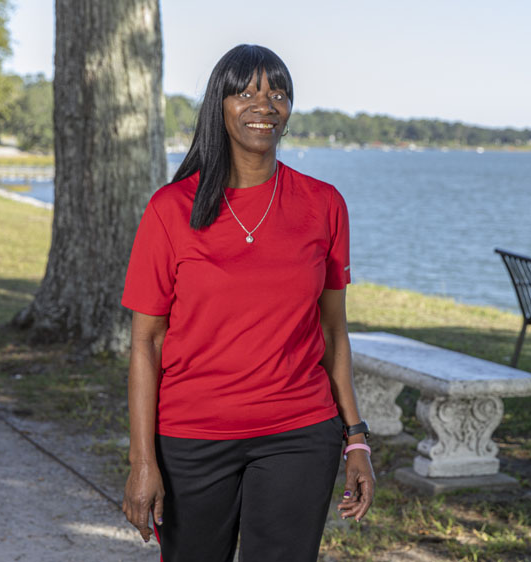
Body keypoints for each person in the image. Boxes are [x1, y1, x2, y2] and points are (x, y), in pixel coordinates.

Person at [119, 44, 375, 562]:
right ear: (220, 104)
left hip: (298, 434)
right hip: (192, 438)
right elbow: (145, 343)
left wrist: (356, 440)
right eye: (247, 92)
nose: (265, 105)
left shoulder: (324, 205)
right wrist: (142, 460)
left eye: (277, 93)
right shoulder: (170, 210)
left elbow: (332, 332)